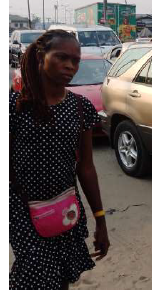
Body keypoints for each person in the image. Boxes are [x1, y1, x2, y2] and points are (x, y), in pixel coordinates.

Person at [9, 29, 110, 290]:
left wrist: (100, 219)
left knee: (62, 275)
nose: (70, 66)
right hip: (23, 211)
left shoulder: (80, 108)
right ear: (42, 56)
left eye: (75, 61)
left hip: (65, 209)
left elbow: (86, 168)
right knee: (34, 275)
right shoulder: (15, 106)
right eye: (62, 57)